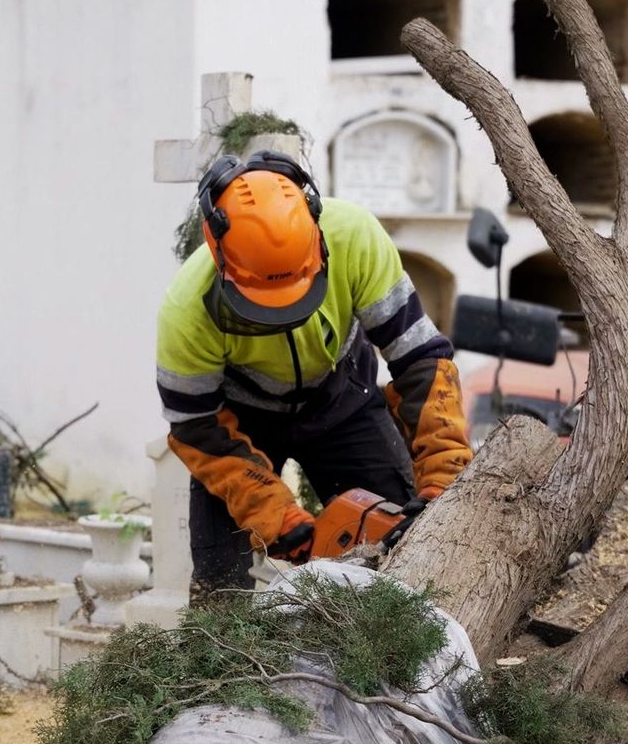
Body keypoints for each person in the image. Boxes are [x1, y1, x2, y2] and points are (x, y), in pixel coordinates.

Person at [155, 151, 472, 597]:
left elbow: (421, 360)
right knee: (222, 590)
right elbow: (194, 426)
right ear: (217, 248)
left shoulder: (355, 237)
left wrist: (446, 474)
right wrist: (273, 514)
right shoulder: (187, 310)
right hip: (240, 425)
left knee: (407, 544)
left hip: (343, 398)